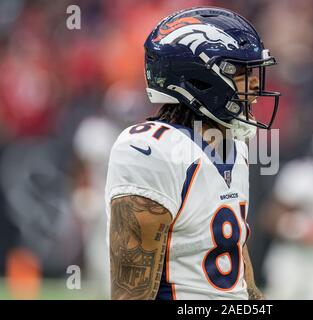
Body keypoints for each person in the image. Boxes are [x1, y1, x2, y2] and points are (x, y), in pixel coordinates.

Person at [105, 7, 280, 300]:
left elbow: (233, 261)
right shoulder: (150, 149)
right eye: (239, 70)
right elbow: (131, 294)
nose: (255, 83)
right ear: (197, 77)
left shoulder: (234, 145)